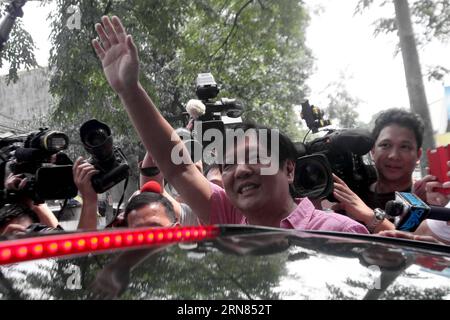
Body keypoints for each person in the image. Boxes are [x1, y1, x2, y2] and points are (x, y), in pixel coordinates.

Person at [91, 16, 368, 234]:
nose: (241, 171)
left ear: (289, 168)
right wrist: (130, 90)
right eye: (228, 166)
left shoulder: (339, 233)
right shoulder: (230, 218)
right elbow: (178, 167)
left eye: (255, 158)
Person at [332, 108, 432, 233]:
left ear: (418, 154)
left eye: (404, 147)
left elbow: (417, 247)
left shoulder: (428, 200)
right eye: (385, 145)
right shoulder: (350, 191)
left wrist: (369, 216)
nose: (394, 155)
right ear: (373, 151)